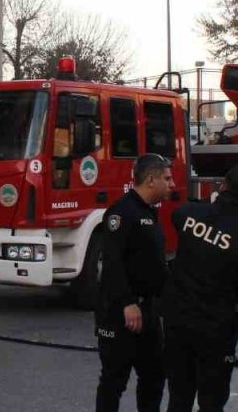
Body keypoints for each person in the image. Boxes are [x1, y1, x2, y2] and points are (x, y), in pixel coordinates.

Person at [162, 166, 238, 412]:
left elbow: (178, 215)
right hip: (217, 334)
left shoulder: (189, 214)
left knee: (178, 398)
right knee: (212, 402)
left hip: (178, 325)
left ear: (222, 186)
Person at [95, 154, 172, 412]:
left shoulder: (149, 212)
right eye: (167, 178)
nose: (172, 184)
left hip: (147, 312)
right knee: (113, 380)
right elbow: (113, 263)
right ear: (151, 179)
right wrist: (127, 303)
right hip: (121, 312)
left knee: (154, 375)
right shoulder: (122, 212)